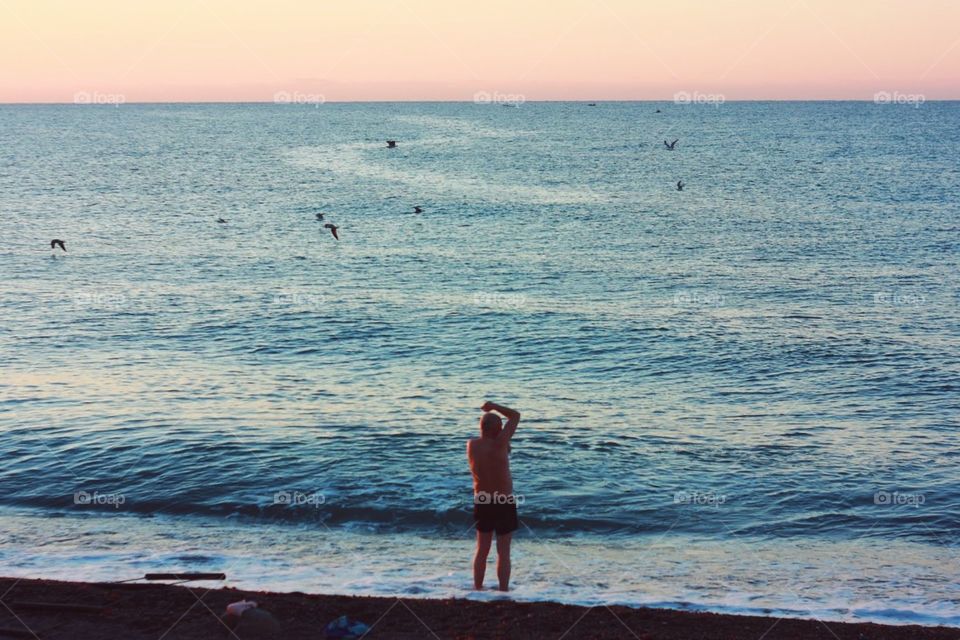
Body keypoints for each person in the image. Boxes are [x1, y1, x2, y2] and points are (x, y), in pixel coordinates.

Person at [467, 400, 521, 591]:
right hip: (503, 501)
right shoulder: (500, 445)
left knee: (482, 549)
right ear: (496, 429)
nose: (502, 430)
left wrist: (502, 439)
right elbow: (515, 415)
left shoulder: (471, 446)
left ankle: (478, 589)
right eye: (500, 427)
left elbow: (492, 448)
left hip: (482, 501)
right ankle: (503, 591)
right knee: (503, 552)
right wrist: (494, 406)